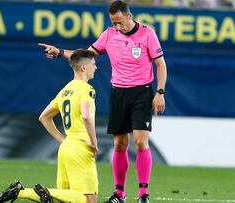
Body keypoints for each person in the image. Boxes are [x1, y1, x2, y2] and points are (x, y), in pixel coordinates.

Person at [38, 1, 167, 203]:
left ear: (129, 16)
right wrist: (60, 52)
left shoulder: (147, 34)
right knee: (119, 144)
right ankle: (119, 194)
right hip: (118, 92)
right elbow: (85, 57)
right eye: (114, 23)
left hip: (142, 92)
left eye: (120, 22)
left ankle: (143, 195)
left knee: (141, 142)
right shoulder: (109, 35)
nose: (117, 27)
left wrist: (159, 92)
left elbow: (160, 64)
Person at [0, 49, 99, 203]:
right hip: (81, 148)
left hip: (66, 147)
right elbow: (86, 115)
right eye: (93, 64)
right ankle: (42, 192)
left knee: (62, 198)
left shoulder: (65, 91)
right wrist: (94, 142)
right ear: (83, 67)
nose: (95, 67)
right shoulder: (87, 89)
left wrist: (63, 141)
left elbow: (44, 117)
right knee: (89, 199)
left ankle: (19, 192)